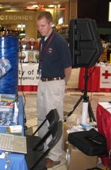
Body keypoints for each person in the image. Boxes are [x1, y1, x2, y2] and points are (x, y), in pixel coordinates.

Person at [36, 11, 72, 168]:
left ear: (51, 24)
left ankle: (55, 155)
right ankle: (44, 148)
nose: (40, 29)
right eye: (38, 26)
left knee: (54, 121)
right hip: (43, 83)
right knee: (42, 117)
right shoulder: (42, 40)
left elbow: (68, 68)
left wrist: (62, 84)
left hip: (55, 83)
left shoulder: (59, 41)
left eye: (43, 25)